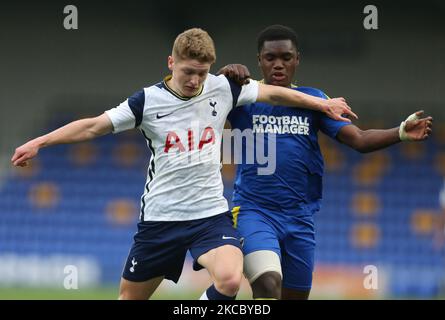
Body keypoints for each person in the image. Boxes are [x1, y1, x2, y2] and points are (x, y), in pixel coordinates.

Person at [10, 28, 356, 300]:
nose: (195, 81)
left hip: (209, 214)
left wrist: (320, 105)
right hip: (161, 219)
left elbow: (274, 93)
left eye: (202, 73)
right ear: (171, 63)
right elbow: (92, 125)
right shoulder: (146, 101)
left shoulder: (221, 88)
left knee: (231, 279)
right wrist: (40, 142)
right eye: (189, 72)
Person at [217, 24, 433, 300]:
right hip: (254, 211)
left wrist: (401, 132)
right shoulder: (243, 96)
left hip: (299, 217)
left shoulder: (316, 100)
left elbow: (359, 139)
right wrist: (225, 74)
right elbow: (206, 93)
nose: (278, 64)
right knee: (268, 284)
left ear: (297, 60)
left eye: (286, 57)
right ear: (259, 60)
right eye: (270, 58)